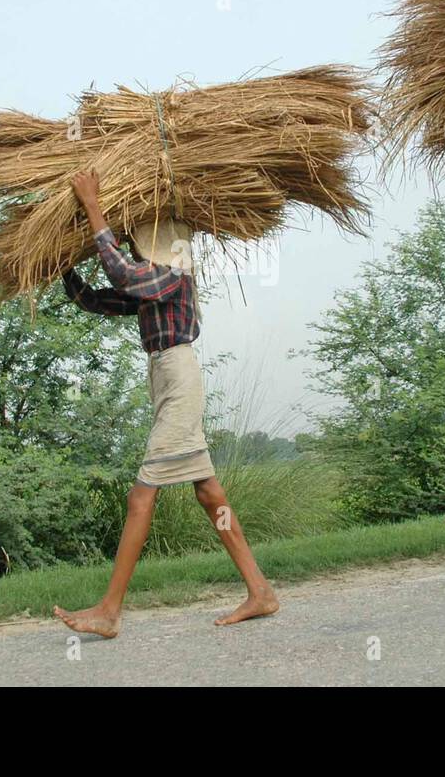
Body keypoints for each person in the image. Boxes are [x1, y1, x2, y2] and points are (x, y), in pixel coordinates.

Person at [52, 169, 279, 636]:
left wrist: (93, 205)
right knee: (209, 492)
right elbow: (97, 299)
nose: (136, 253)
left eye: (140, 248)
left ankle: (110, 611)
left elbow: (121, 273)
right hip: (164, 377)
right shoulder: (149, 284)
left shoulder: (171, 275)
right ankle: (261, 591)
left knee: (141, 495)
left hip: (179, 379)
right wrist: (61, 267)